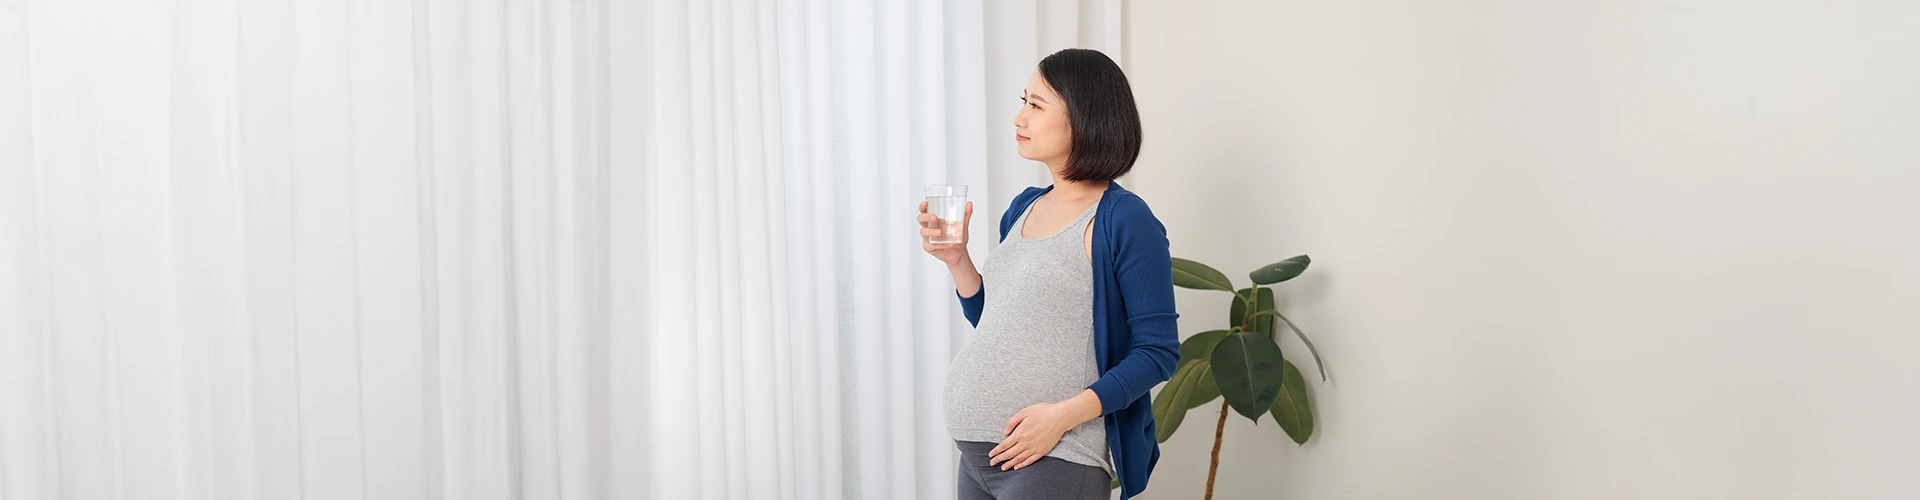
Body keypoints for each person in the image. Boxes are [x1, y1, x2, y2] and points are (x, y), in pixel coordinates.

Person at [917, 48, 1181, 500]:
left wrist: (1060, 417)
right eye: (1024, 101)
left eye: (1036, 106)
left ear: (1084, 117)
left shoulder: (1123, 220)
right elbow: (997, 322)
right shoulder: (1023, 207)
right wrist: (958, 260)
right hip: (980, 462)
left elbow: (1158, 352)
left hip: (1054, 462)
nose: (1019, 118)